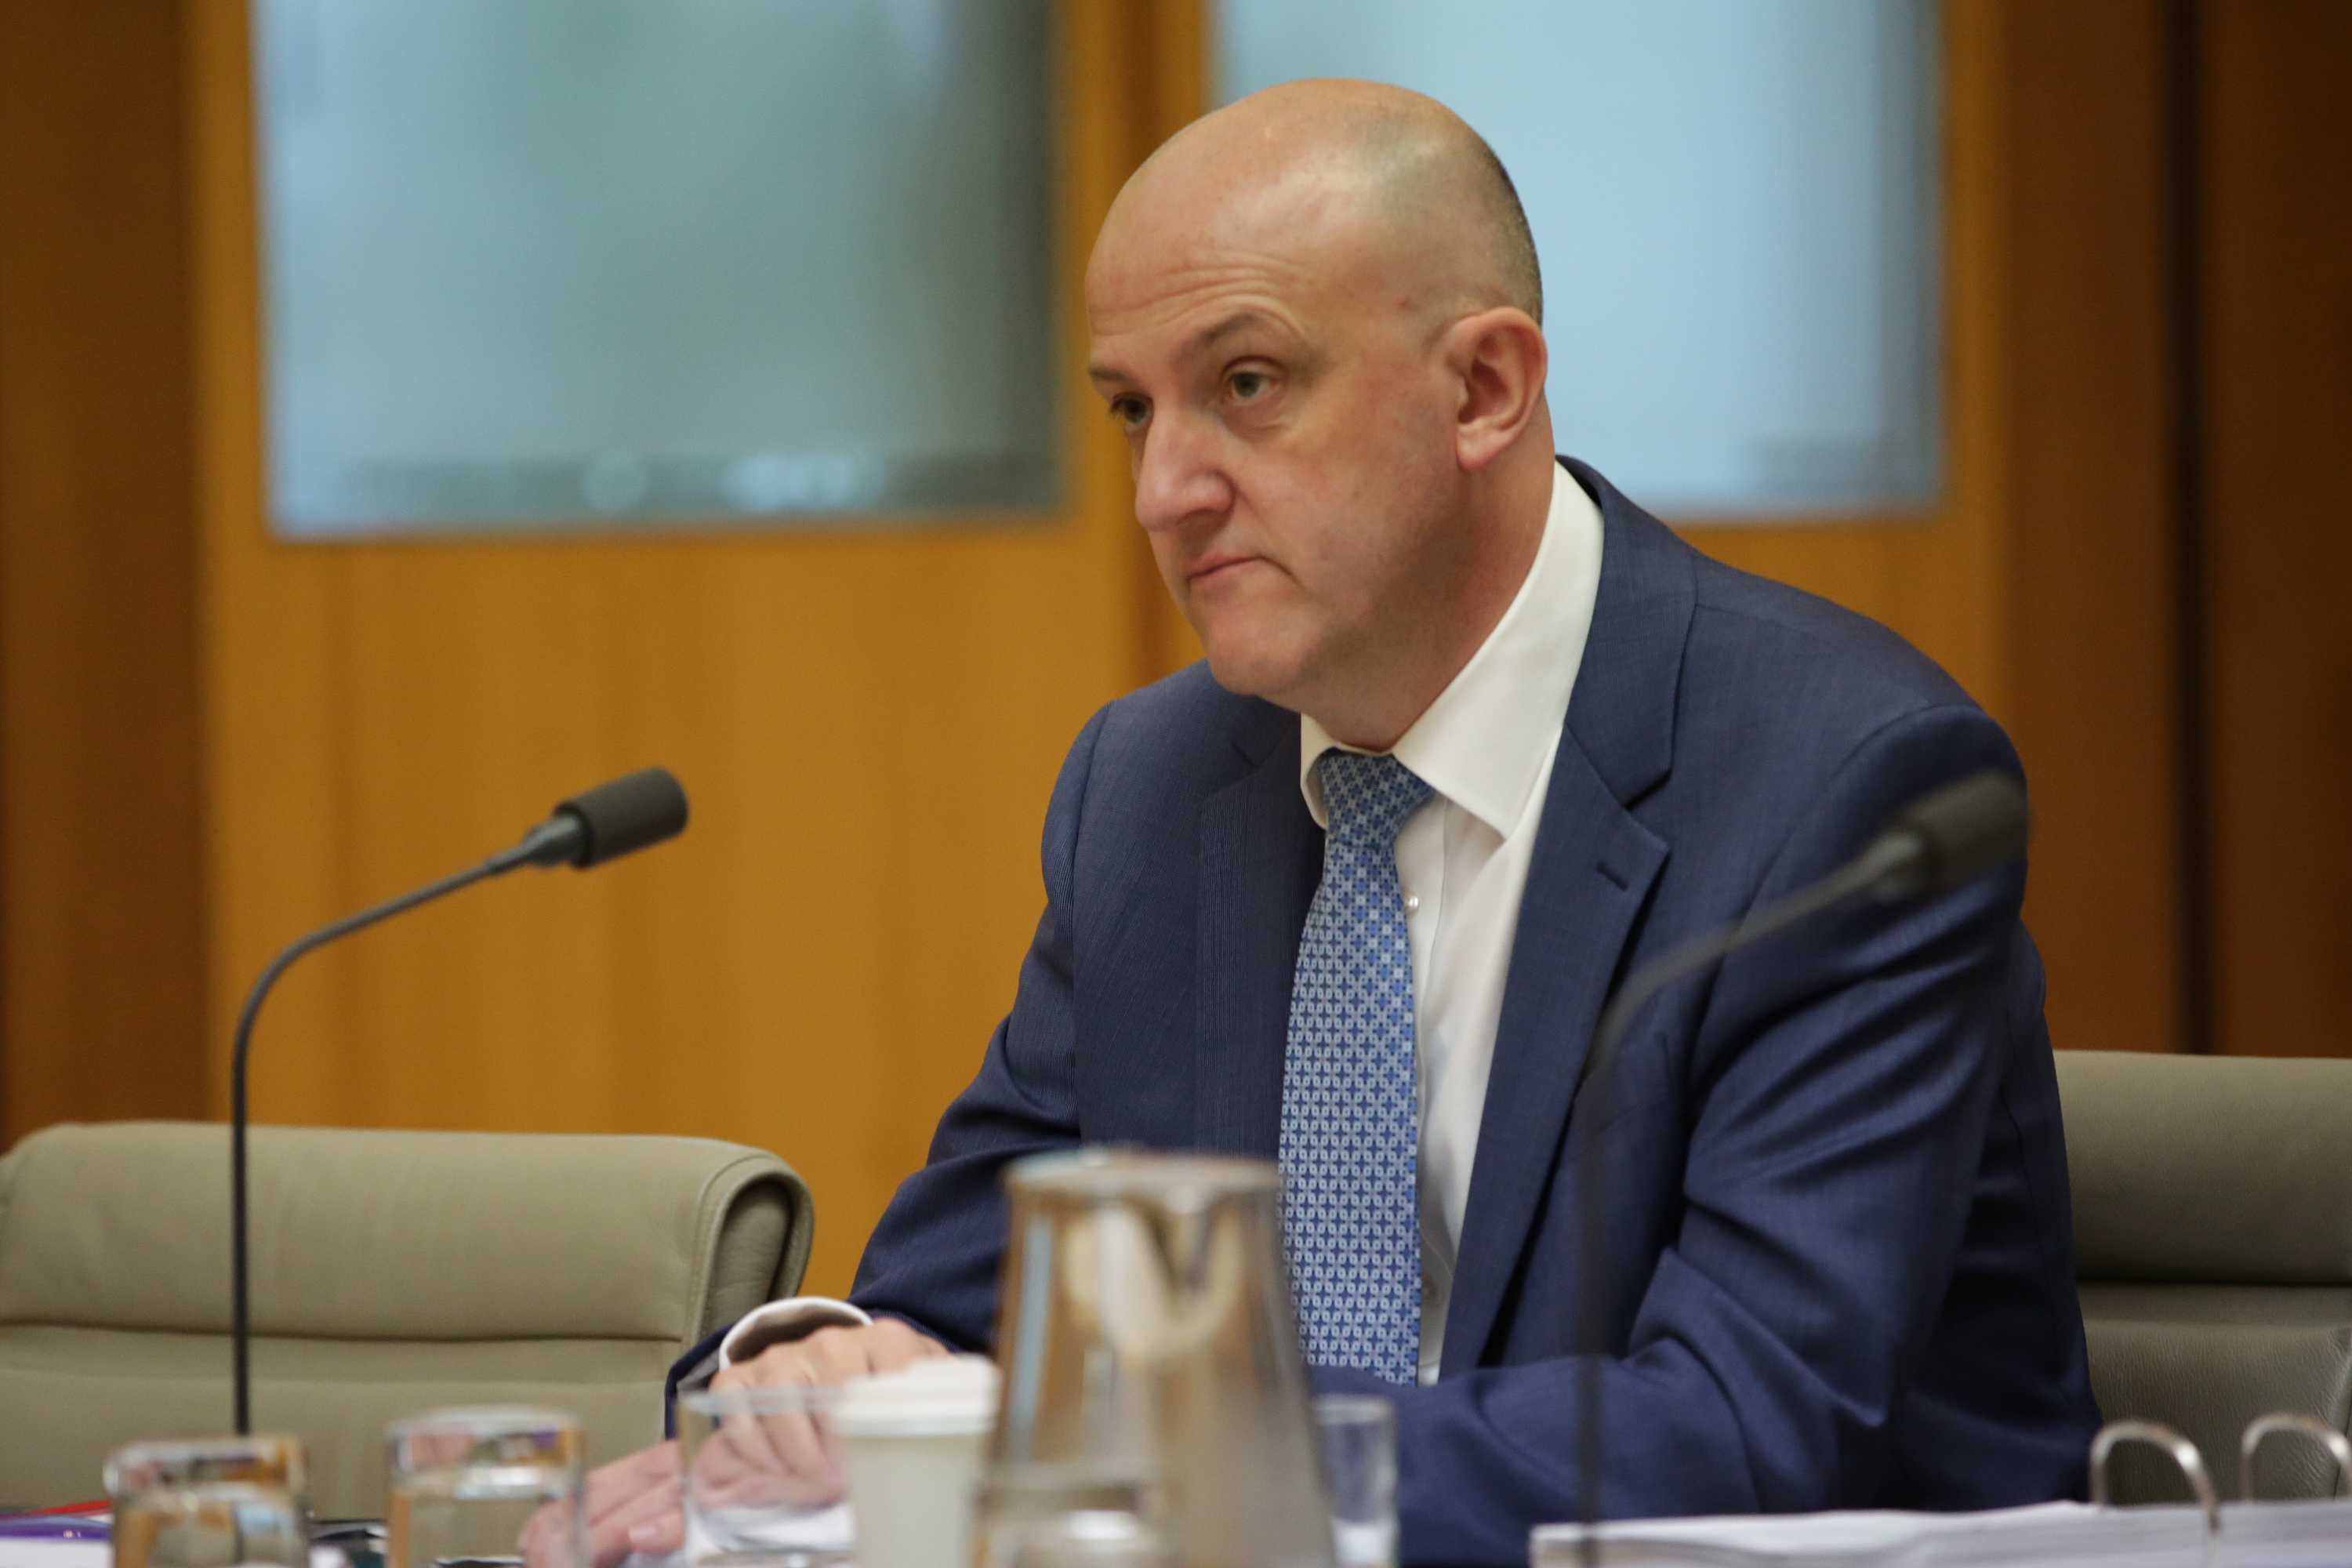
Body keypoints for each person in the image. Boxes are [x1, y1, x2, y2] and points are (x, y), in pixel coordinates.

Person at [565, 79, 2100, 1566]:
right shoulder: (1158, 789)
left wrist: (1112, 1449)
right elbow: (962, 1306)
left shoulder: (1833, 789)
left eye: (1246, 384)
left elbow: (1740, 1437)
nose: (1166, 488)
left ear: (1483, 390)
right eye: (1129, 409)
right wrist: (811, 1364)